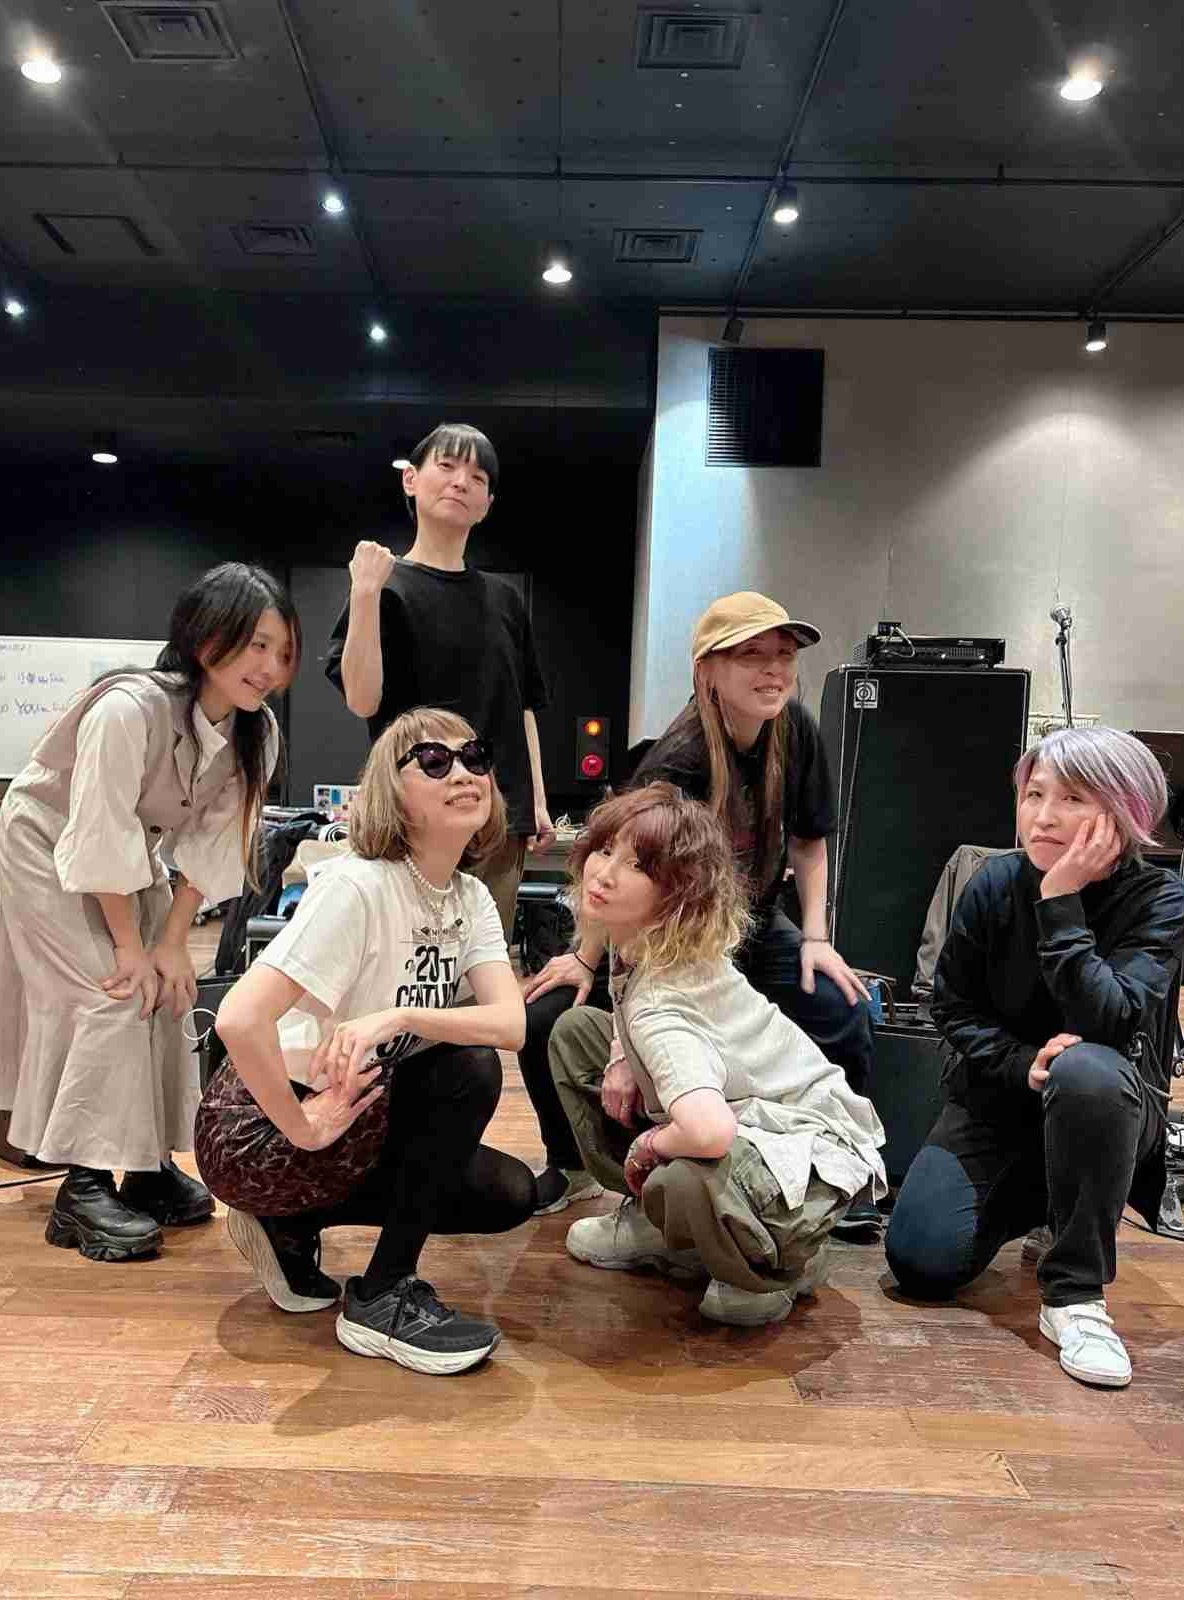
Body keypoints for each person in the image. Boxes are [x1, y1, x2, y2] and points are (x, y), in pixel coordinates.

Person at [195, 708, 537, 1377]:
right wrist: (301, 1126)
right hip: (263, 1124)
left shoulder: (468, 897)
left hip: (358, 1107)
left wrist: (399, 1017)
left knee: (507, 1192)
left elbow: (511, 1023)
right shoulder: (359, 886)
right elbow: (238, 1019)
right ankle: (380, 1296)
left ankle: (291, 1223)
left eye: (474, 757)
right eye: (434, 761)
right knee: (468, 1069)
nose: (462, 773)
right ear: (392, 791)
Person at [522, 590, 875, 1221]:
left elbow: (809, 840)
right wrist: (589, 963)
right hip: (673, 939)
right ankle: (591, 1169)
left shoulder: (796, 730)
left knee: (841, 1006)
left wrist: (817, 938)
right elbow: (621, 872)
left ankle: (841, 1177)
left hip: (752, 923)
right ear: (707, 669)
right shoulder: (676, 761)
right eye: (751, 655)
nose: (773, 670)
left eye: (783, 655)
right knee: (550, 1014)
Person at [0, 563, 296, 1261]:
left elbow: (211, 847)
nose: (270, 667)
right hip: (45, 843)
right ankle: (84, 1184)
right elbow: (96, 830)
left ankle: (144, 1160)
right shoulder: (128, 708)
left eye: (283, 651)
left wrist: (170, 946)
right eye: (256, 644)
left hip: (129, 851)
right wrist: (131, 948)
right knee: (112, 992)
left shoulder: (257, 732)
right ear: (205, 638)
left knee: (168, 992)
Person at [885, 726, 1184, 1388]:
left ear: (1124, 811)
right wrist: (1021, 1061)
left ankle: (1075, 1296)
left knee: (1085, 1068)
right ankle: (1055, 1200)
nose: (1044, 816)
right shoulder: (994, 883)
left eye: (1073, 798)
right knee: (921, 1260)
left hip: (1104, 1103)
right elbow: (952, 1009)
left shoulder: (1160, 899)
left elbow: (1109, 1020)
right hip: (1000, 1098)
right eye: (1034, 795)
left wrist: (1061, 901)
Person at [548, 783, 886, 1325]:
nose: (604, 874)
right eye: (605, 849)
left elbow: (708, 1132)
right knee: (578, 1034)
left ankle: (770, 1266)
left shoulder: (660, 1005)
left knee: (680, 1176)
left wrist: (646, 1147)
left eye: (637, 866)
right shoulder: (647, 944)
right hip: (762, 1115)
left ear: (676, 894)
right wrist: (620, 1055)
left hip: (804, 1150)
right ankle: (661, 1224)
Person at [325, 422, 553, 940]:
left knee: (483, 961)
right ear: (411, 480)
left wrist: (536, 801)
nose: (460, 481)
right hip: (411, 814)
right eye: (446, 466)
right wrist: (365, 594)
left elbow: (523, 707)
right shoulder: (385, 587)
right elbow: (362, 699)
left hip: (496, 817)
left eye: (477, 477)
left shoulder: (505, 600)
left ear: (487, 504)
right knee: (401, 957)